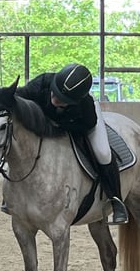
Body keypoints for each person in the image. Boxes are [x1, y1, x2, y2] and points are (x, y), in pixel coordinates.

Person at [8, 63, 128, 225]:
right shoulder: (42, 83)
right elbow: (17, 95)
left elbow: (88, 124)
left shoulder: (85, 105)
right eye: (56, 94)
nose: (56, 100)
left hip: (75, 123)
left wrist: (61, 126)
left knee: (103, 153)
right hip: (49, 125)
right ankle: (10, 197)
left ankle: (116, 200)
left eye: (63, 100)